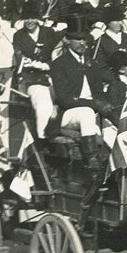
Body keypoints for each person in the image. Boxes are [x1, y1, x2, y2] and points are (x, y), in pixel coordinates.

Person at [49, 17, 116, 177]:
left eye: (84, 39)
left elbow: (99, 93)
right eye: (77, 39)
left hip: (92, 114)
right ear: (68, 41)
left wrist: (107, 109)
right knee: (85, 112)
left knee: (113, 130)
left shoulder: (92, 64)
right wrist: (95, 104)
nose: (82, 43)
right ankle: (92, 161)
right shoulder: (59, 64)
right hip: (68, 114)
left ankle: (115, 175)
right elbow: (64, 99)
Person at [12, 2, 62, 141]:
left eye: (33, 17)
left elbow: (59, 52)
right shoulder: (19, 36)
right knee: (42, 100)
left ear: (38, 18)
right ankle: (44, 136)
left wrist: (47, 65)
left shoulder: (48, 32)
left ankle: (63, 132)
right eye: (26, 18)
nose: (29, 21)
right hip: (31, 79)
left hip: (52, 75)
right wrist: (28, 63)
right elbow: (20, 58)